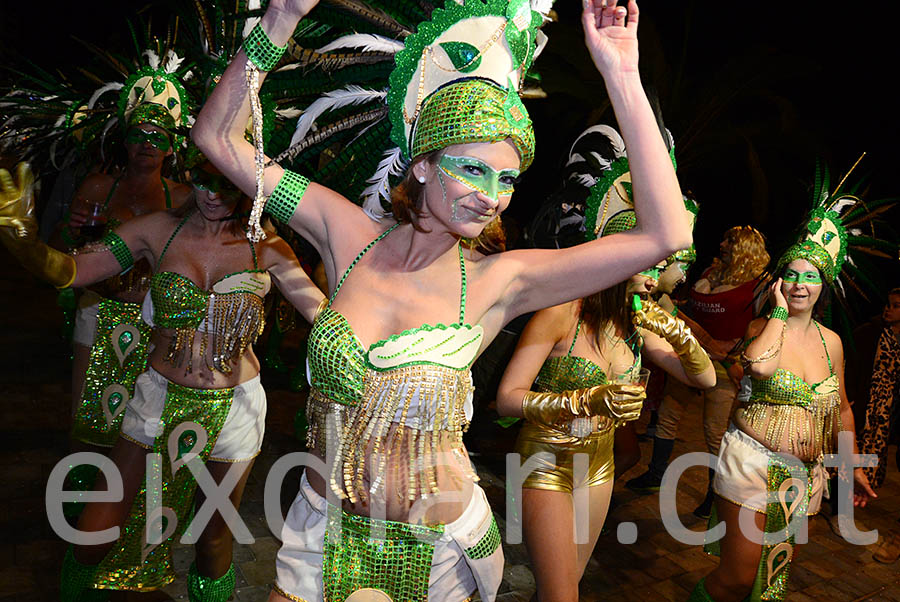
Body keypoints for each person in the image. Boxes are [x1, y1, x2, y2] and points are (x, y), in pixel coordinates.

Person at [191, 0, 691, 599]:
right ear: (424, 165)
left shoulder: (498, 281)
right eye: (473, 171)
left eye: (506, 180)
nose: (492, 197)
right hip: (319, 537)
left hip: (438, 560)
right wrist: (280, 20)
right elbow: (218, 138)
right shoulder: (342, 230)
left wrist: (622, 76)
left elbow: (666, 234)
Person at [0, 160, 326, 600]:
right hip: (156, 399)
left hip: (237, 412)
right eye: (203, 179)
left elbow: (323, 315)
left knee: (213, 543)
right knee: (93, 534)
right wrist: (24, 244)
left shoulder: (266, 247)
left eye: (226, 184)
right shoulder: (154, 230)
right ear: (189, 174)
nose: (213, 194)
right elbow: (73, 270)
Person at [689, 162, 886, 602]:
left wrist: (849, 468)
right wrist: (778, 310)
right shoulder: (763, 327)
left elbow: (844, 409)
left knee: (772, 584)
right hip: (750, 464)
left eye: (810, 276)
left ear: (824, 285)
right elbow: (757, 366)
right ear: (779, 281)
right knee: (737, 579)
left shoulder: (831, 342)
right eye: (791, 275)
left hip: (803, 477)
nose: (799, 285)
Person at [627, 225, 769, 519]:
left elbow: (766, 324)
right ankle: (655, 474)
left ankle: (714, 495)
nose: (722, 244)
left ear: (746, 248)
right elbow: (691, 307)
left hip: (725, 365)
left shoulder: (760, 285)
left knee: (715, 433)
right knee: (667, 416)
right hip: (688, 353)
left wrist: (741, 349)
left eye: (730, 240)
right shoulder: (709, 274)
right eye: (725, 237)